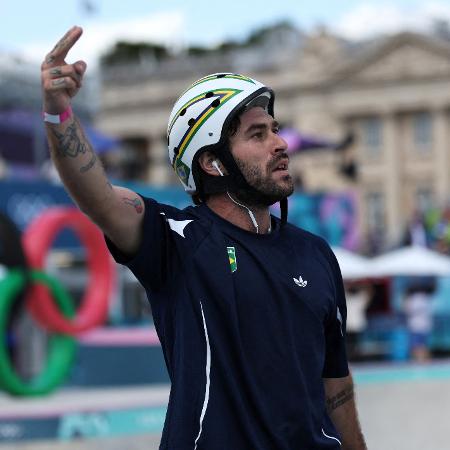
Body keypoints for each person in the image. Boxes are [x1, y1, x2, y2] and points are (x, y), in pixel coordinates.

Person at [41, 26, 367, 450]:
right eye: (257, 134)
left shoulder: (316, 253)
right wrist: (56, 112)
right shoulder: (178, 241)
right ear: (212, 162)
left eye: (275, 128)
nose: (281, 143)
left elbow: (335, 381)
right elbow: (98, 198)